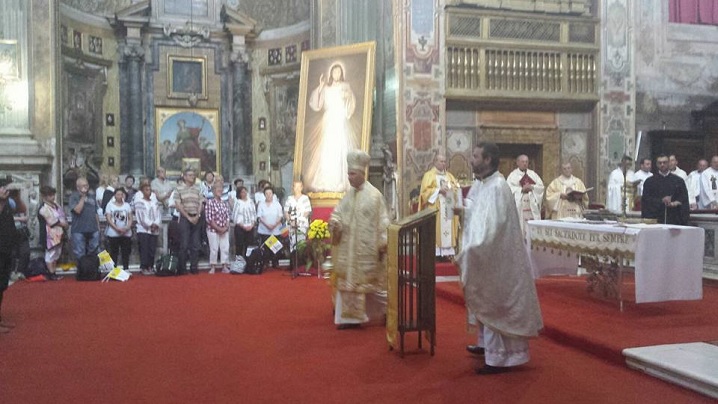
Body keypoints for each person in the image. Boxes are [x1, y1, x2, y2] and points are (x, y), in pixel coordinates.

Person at [454, 143, 543, 375]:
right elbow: (477, 214)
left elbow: (493, 227)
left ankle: (501, 359)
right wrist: (460, 209)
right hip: (489, 255)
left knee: (496, 301)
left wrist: (472, 249)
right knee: (486, 298)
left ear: (488, 159)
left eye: (475, 156)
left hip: (498, 257)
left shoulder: (498, 187)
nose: (471, 160)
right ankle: (486, 346)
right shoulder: (481, 184)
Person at [329, 150, 390, 330]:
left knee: (374, 286)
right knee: (349, 283)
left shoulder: (375, 196)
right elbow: (338, 214)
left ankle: (391, 311)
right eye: (348, 174)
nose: (349, 177)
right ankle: (349, 319)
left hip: (368, 251)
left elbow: (384, 220)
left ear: (362, 173)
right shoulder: (348, 196)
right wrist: (335, 223)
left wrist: (383, 242)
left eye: (352, 174)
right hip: (349, 253)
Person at [304, 63, 359, 193]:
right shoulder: (326, 89)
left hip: (339, 120)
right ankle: (328, 181)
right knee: (328, 151)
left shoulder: (345, 87)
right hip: (329, 121)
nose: (336, 74)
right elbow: (316, 104)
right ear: (331, 74)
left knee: (340, 150)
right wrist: (321, 86)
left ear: (342, 74)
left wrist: (347, 99)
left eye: (339, 72)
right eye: (334, 72)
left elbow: (350, 104)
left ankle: (340, 181)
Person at [419, 154, 461, 257]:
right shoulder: (429, 175)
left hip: (448, 207)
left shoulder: (449, 176)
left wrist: (452, 191)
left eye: (444, 161)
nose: (443, 164)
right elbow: (424, 193)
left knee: (449, 230)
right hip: (436, 208)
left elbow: (456, 189)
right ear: (435, 162)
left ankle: (448, 253)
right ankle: (436, 254)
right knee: (436, 230)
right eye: (441, 161)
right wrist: (439, 190)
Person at [641, 154, 690, 225]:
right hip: (656, 220)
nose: (662, 165)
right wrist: (661, 201)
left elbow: (684, 200)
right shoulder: (649, 182)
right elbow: (646, 201)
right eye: (660, 163)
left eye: (664, 162)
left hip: (674, 220)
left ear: (669, 163)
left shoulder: (678, 181)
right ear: (656, 164)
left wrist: (676, 203)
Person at [174, 168, 203, 275]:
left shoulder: (198, 188)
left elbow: (201, 202)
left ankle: (194, 267)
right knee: (184, 244)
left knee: (196, 244)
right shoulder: (179, 188)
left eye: (193, 175)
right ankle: (182, 268)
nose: (192, 177)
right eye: (190, 175)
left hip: (196, 217)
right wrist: (188, 217)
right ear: (184, 177)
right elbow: (178, 205)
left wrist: (198, 215)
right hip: (185, 218)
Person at [506, 154, 544, 235]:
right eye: (523, 162)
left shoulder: (533, 174)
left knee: (533, 233)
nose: (525, 164)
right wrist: (521, 190)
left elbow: (541, 187)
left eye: (526, 162)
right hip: (520, 207)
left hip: (531, 207)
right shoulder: (513, 175)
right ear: (518, 162)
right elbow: (508, 190)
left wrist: (532, 187)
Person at [0, 178, 19, 333]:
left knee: (1, 286)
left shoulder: (7, 204)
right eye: (3, 188)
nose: (6, 190)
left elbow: (21, 208)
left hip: (6, 250)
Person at [37, 185, 67, 281]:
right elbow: (51, 221)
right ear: (44, 196)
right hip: (49, 234)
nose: (52, 197)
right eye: (50, 195)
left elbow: (62, 215)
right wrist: (62, 223)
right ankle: (51, 272)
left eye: (53, 195)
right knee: (50, 253)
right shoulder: (43, 208)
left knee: (56, 253)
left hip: (59, 233)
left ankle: (54, 271)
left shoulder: (56, 205)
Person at [69, 177, 100, 260]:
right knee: (80, 253)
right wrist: (83, 197)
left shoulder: (92, 196)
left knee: (94, 252)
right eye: (82, 186)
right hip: (79, 229)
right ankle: (81, 271)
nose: (85, 187)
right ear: (77, 187)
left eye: (86, 185)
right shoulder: (73, 197)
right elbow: (77, 210)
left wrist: (98, 228)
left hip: (93, 229)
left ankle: (92, 270)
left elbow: (95, 212)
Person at [134, 182, 161, 276]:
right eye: (146, 190)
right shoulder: (139, 202)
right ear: (142, 191)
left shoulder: (154, 202)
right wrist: (150, 225)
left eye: (150, 190)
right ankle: (144, 267)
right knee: (144, 248)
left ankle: (150, 266)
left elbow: (158, 214)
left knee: (152, 249)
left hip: (154, 230)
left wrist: (156, 224)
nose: (148, 192)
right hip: (143, 229)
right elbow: (141, 216)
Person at [104, 188, 133, 271]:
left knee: (125, 252)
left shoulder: (127, 205)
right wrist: (116, 228)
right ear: (115, 195)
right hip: (113, 233)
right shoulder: (110, 205)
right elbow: (108, 218)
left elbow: (130, 217)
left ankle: (126, 268)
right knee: (114, 252)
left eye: (121, 194)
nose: (120, 196)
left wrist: (127, 227)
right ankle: (113, 269)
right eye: (118, 194)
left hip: (126, 233)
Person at [206, 182, 231, 274]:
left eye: (221, 189)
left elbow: (228, 216)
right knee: (214, 248)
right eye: (217, 189)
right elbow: (209, 218)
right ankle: (213, 266)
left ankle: (225, 266)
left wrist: (225, 227)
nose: (220, 190)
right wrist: (218, 229)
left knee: (225, 248)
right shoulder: (210, 203)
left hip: (224, 229)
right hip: (213, 230)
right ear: (213, 191)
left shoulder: (224, 203)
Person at [256, 186, 284, 268]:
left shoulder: (277, 204)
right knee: (265, 247)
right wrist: (267, 225)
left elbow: (280, 216)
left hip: (275, 229)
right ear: (264, 195)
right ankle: (265, 262)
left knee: (275, 247)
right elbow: (259, 217)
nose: (268, 195)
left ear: (273, 194)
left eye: (270, 193)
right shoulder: (261, 204)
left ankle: (275, 262)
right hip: (264, 230)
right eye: (266, 193)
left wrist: (274, 225)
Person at [283, 181, 312, 253]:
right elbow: (286, 211)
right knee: (292, 243)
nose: (297, 189)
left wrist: (298, 221)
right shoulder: (289, 198)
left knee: (301, 243)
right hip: (291, 225)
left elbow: (307, 211)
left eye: (299, 187)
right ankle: (293, 260)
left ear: (302, 188)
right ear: (293, 188)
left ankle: (300, 260)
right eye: (295, 187)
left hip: (301, 224)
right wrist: (290, 221)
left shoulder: (305, 198)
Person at [231, 186, 256, 259]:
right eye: (242, 192)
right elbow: (234, 217)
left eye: (245, 191)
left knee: (249, 246)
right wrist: (242, 226)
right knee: (239, 245)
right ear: (239, 193)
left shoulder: (250, 202)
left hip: (250, 227)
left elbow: (254, 214)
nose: (244, 193)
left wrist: (252, 225)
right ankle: (239, 263)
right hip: (240, 228)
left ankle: (249, 262)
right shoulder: (237, 203)